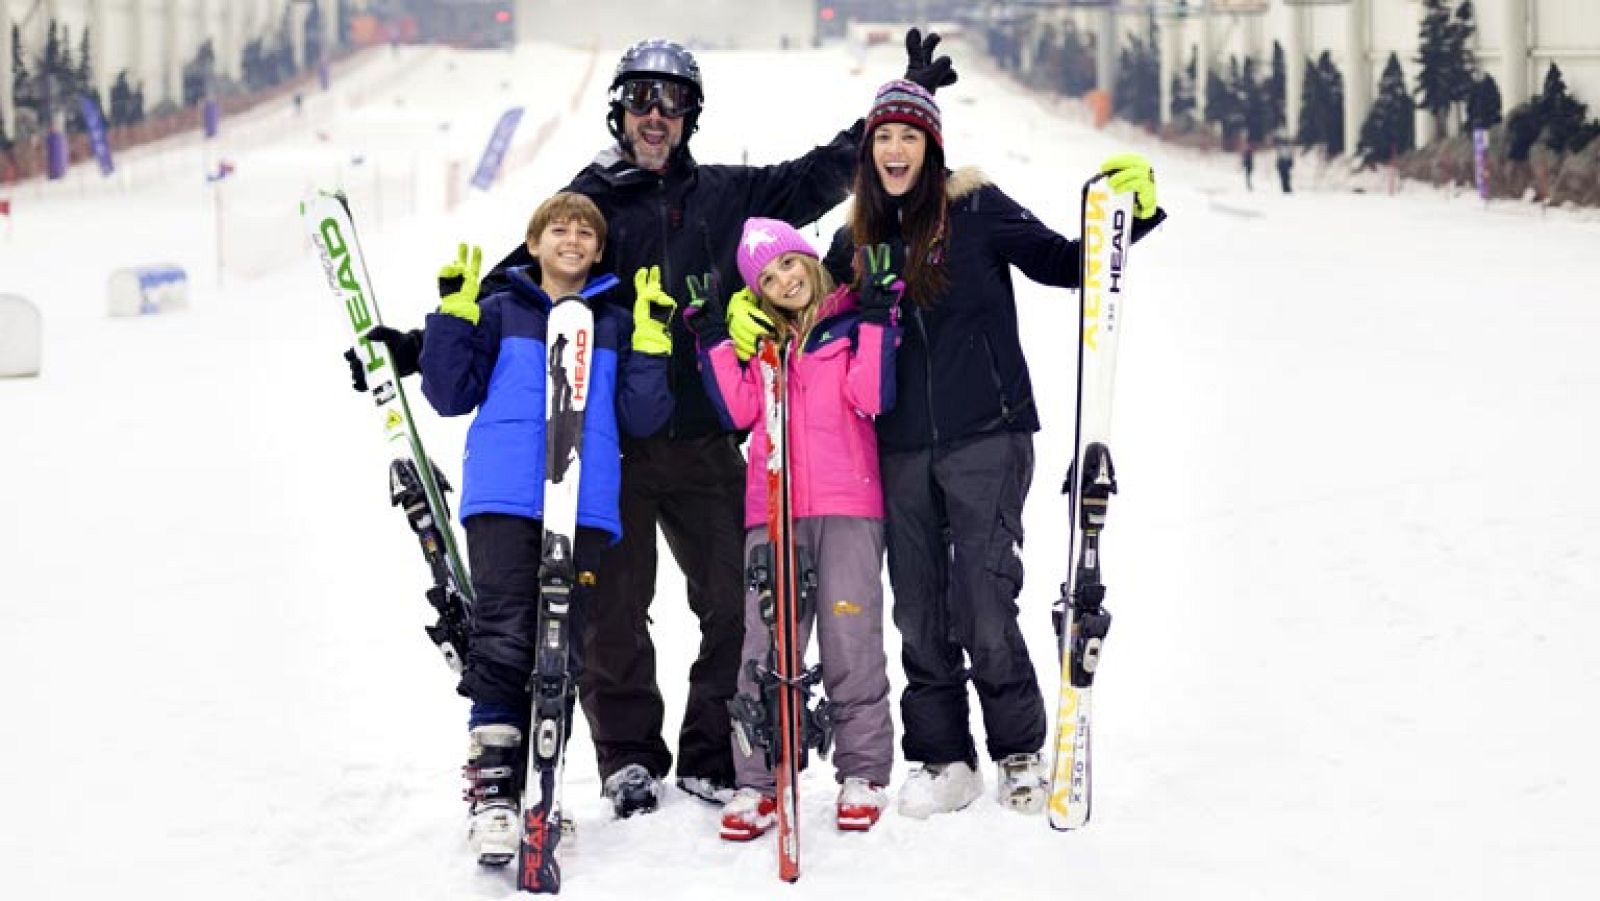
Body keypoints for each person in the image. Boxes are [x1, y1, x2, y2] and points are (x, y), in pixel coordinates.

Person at [474, 30, 960, 818]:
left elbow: (812, 178)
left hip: (708, 440)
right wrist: (440, 336)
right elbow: (515, 281)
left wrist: (890, 112)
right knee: (614, 613)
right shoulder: (590, 203)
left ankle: (710, 753)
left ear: (691, 114)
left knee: (741, 603)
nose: (654, 114)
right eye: (639, 98)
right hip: (615, 446)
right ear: (619, 111)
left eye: (671, 101)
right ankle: (628, 758)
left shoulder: (727, 195)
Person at [799, 79, 1168, 819]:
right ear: (868, 153)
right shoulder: (853, 240)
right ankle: (943, 757)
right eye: (883, 138)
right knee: (919, 606)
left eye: (910, 136)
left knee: (983, 597)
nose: (895, 149)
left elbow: (1068, 263)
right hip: (896, 445)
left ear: (933, 149)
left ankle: (1018, 748)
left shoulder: (976, 209)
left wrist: (1135, 214)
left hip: (987, 435)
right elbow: (806, 306)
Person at [416, 192, 674, 863]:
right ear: (533, 243)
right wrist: (454, 313)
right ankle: (495, 793)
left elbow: (642, 420)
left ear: (598, 248)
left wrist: (649, 344)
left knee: (562, 645)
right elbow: (447, 393)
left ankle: (541, 787)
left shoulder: (614, 321)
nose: (572, 237)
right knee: (505, 637)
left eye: (585, 231)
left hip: (582, 501)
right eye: (558, 228)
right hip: (504, 495)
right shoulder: (501, 311)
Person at [678, 218, 902, 839]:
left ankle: (863, 772)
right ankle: (758, 779)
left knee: (848, 634)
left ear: (808, 259)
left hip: (848, 504)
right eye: (768, 277)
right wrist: (717, 341)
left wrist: (881, 316)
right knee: (765, 644)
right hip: (771, 510)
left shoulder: (850, 324)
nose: (784, 280)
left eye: (788, 263)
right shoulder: (761, 346)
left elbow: (873, 395)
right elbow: (740, 410)